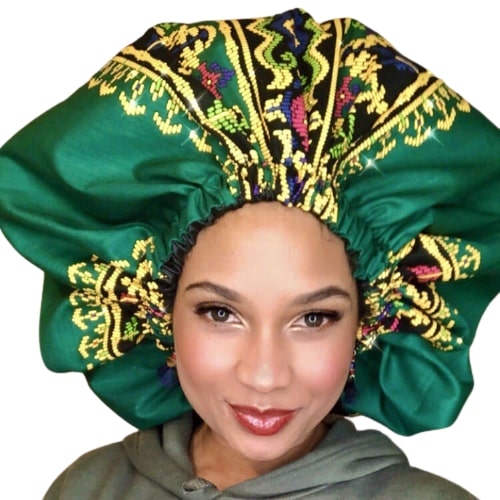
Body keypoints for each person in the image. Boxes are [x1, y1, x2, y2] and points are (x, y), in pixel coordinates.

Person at [0, 7, 498, 499]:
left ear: (368, 325)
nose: (264, 376)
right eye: (220, 312)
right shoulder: (89, 488)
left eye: (314, 318)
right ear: (158, 311)